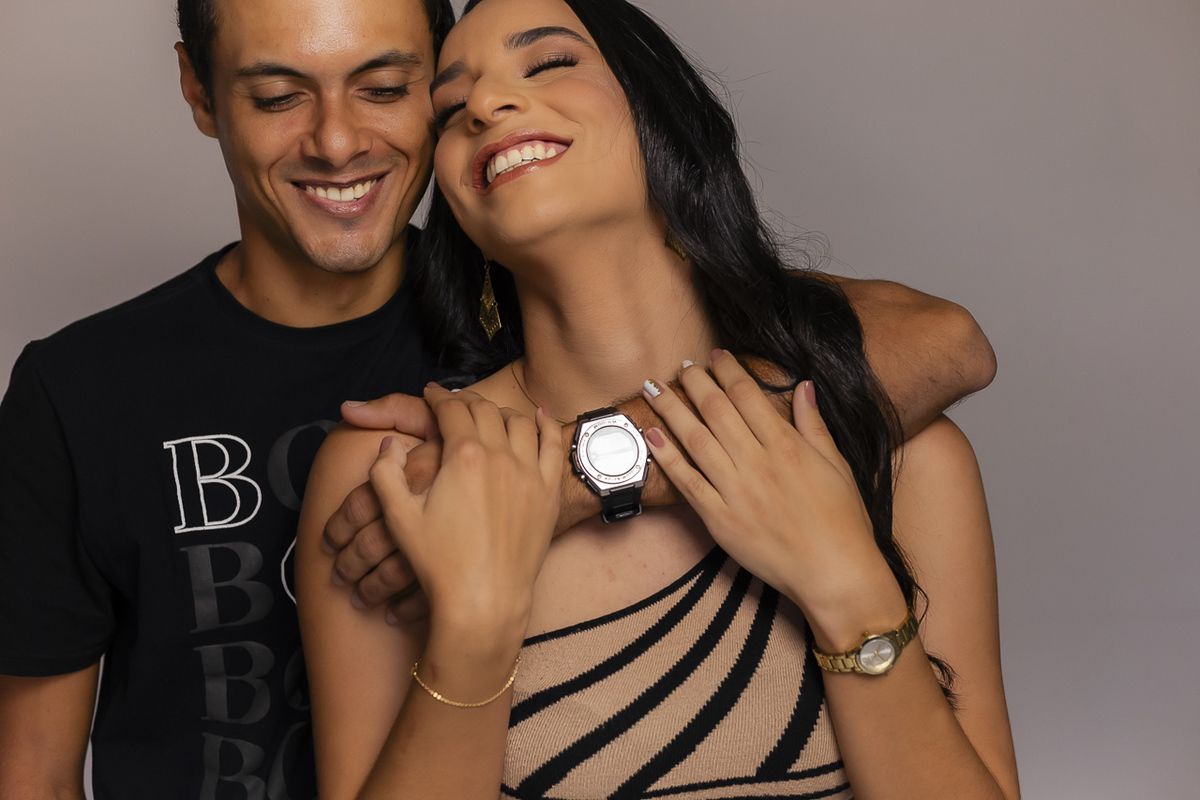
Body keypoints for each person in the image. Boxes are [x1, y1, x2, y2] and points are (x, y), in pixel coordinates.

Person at [0, 0, 994, 798]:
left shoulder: (888, 438)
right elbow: (30, 772)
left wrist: (575, 478)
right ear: (199, 88)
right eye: (276, 94)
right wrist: (476, 608)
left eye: (389, 89)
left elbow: (946, 341)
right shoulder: (102, 391)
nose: (337, 139)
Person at [296, 0, 1020, 799]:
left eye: (549, 63)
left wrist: (849, 590)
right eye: (450, 107)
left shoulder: (906, 453)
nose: (485, 104)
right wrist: (474, 628)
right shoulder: (396, 481)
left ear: (662, 117)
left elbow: (955, 339)